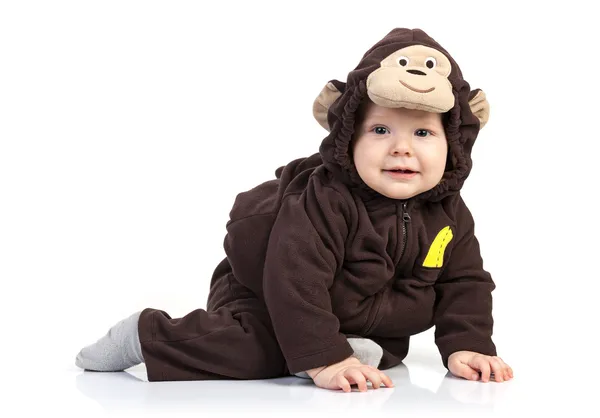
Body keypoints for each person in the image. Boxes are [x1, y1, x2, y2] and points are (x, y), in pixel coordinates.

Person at [75, 27, 513, 392]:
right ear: (349, 138)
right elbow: (294, 278)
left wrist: (467, 344)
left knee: (383, 355)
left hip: (361, 317)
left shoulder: (450, 212)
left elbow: (465, 282)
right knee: (260, 350)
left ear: (453, 145)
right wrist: (326, 360)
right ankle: (146, 334)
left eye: (422, 132)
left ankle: (336, 345)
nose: (401, 147)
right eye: (380, 129)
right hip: (267, 293)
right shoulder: (326, 199)